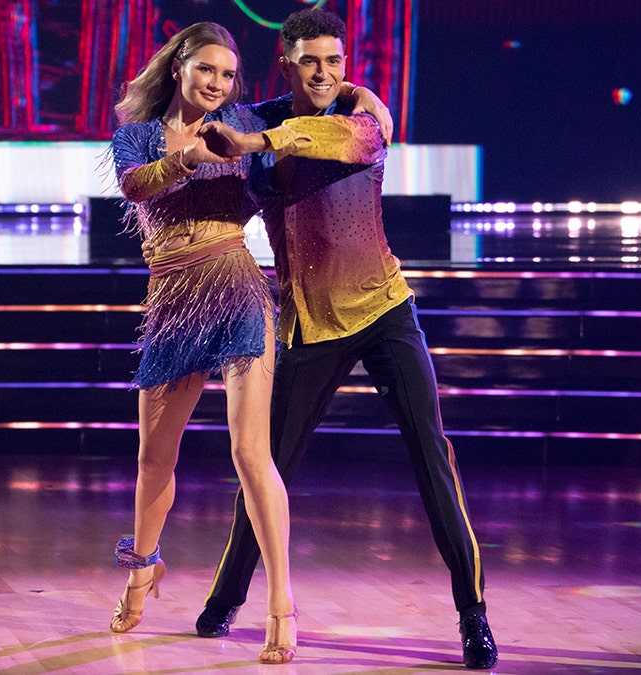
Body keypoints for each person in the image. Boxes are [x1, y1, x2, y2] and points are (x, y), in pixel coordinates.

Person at [193, 8, 499, 670]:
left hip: (386, 311)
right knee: (266, 468)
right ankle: (226, 597)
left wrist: (251, 146)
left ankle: (472, 615)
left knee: (432, 454)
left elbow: (343, 140)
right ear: (287, 63)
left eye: (335, 60)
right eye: (311, 61)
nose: (326, 72)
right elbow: (218, 157)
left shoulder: (358, 120)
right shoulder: (257, 121)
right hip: (307, 322)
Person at [107, 21, 297, 664]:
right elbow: (136, 185)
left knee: (250, 453)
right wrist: (188, 156)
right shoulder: (137, 134)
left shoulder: (243, 121)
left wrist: (363, 97)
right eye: (205, 70)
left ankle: (281, 605)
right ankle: (142, 567)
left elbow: (315, 103)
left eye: (226, 73)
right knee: (154, 459)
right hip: (173, 304)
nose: (216, 83)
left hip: (241, 292)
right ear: (179, 68)